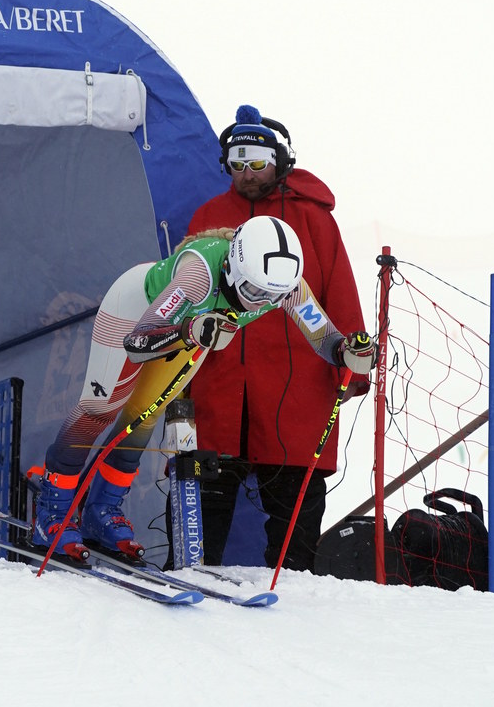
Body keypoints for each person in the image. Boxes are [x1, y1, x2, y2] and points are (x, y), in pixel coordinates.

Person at [29, 215, 374, 563]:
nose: (260, 303)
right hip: (137, 311)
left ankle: (101, 511)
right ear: (234, 268)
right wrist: (190, 332)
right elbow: (137, 341)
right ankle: (52, 513)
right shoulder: (199, 275)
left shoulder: (286, 284)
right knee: (100, 410)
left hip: (193, 328)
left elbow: (322, 335)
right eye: (254, 291)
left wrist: (348, 351)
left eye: (273, 297)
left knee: (142, 417)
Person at [183, 104, 370, 572]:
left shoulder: (314, 219)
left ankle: (295, 588)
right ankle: (194, 575)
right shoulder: (208, 216)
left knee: (295, 502)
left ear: (280, 160)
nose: (247, 174)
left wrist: (351, 359)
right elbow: (185, 292)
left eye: (257, 163)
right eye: (237, 164)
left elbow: (339, 296)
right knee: (207, 492)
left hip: (296, 386)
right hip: (220, 383)